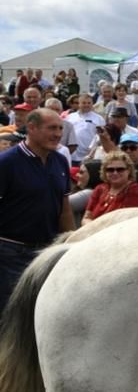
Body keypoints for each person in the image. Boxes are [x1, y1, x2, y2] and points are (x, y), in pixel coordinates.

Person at [0, 108, 74, 315]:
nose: (58, 134)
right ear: (31, 128)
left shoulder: (60, 161)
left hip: (47, 252)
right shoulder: (6, 163)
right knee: (11, 315)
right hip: (10, 254)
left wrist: (72, 243)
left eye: (60, 128)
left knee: (41, 314)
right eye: (52, 128)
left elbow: (65, 208)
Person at [81, 151, 138, 224]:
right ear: (104, 171)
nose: (115, 173)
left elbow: (127, 221)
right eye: (110, 170)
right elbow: (86, 218)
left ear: (129, 170)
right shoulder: (100, 189)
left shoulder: (135, 190)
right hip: (94, 232)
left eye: (120, 169)